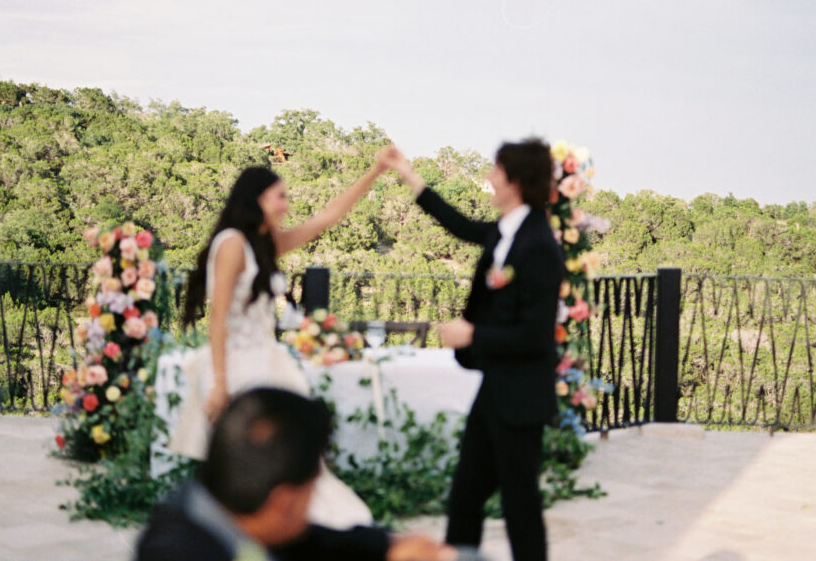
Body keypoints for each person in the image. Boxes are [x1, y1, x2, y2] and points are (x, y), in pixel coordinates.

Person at [172, 154, 392, 529]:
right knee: (248, 471)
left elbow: (327, 218)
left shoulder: (263, 244)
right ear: (256, 198)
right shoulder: (232, 244)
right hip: (237, 370)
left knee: (293, 463)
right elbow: (219, 317)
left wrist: (375, 171)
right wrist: (221, 384)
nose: (286, 205)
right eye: (280, 196)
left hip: (267, 363)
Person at [385, 140, 564, 561]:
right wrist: (406, 172)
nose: (488, 177)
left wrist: (473, 337)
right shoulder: (506, 231)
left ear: (515, 181)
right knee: (465, 494)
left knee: (520, 505)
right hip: (495, 390)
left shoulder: (539, 245)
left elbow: (536, 336)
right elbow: (458, 224)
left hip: (521, 397)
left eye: (495, 171)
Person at [137, 388, 452, 561]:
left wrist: (388, 546)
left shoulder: (215, 500)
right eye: (310, 491)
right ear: (283, 501)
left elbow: (311, 541)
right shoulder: (176, 551)